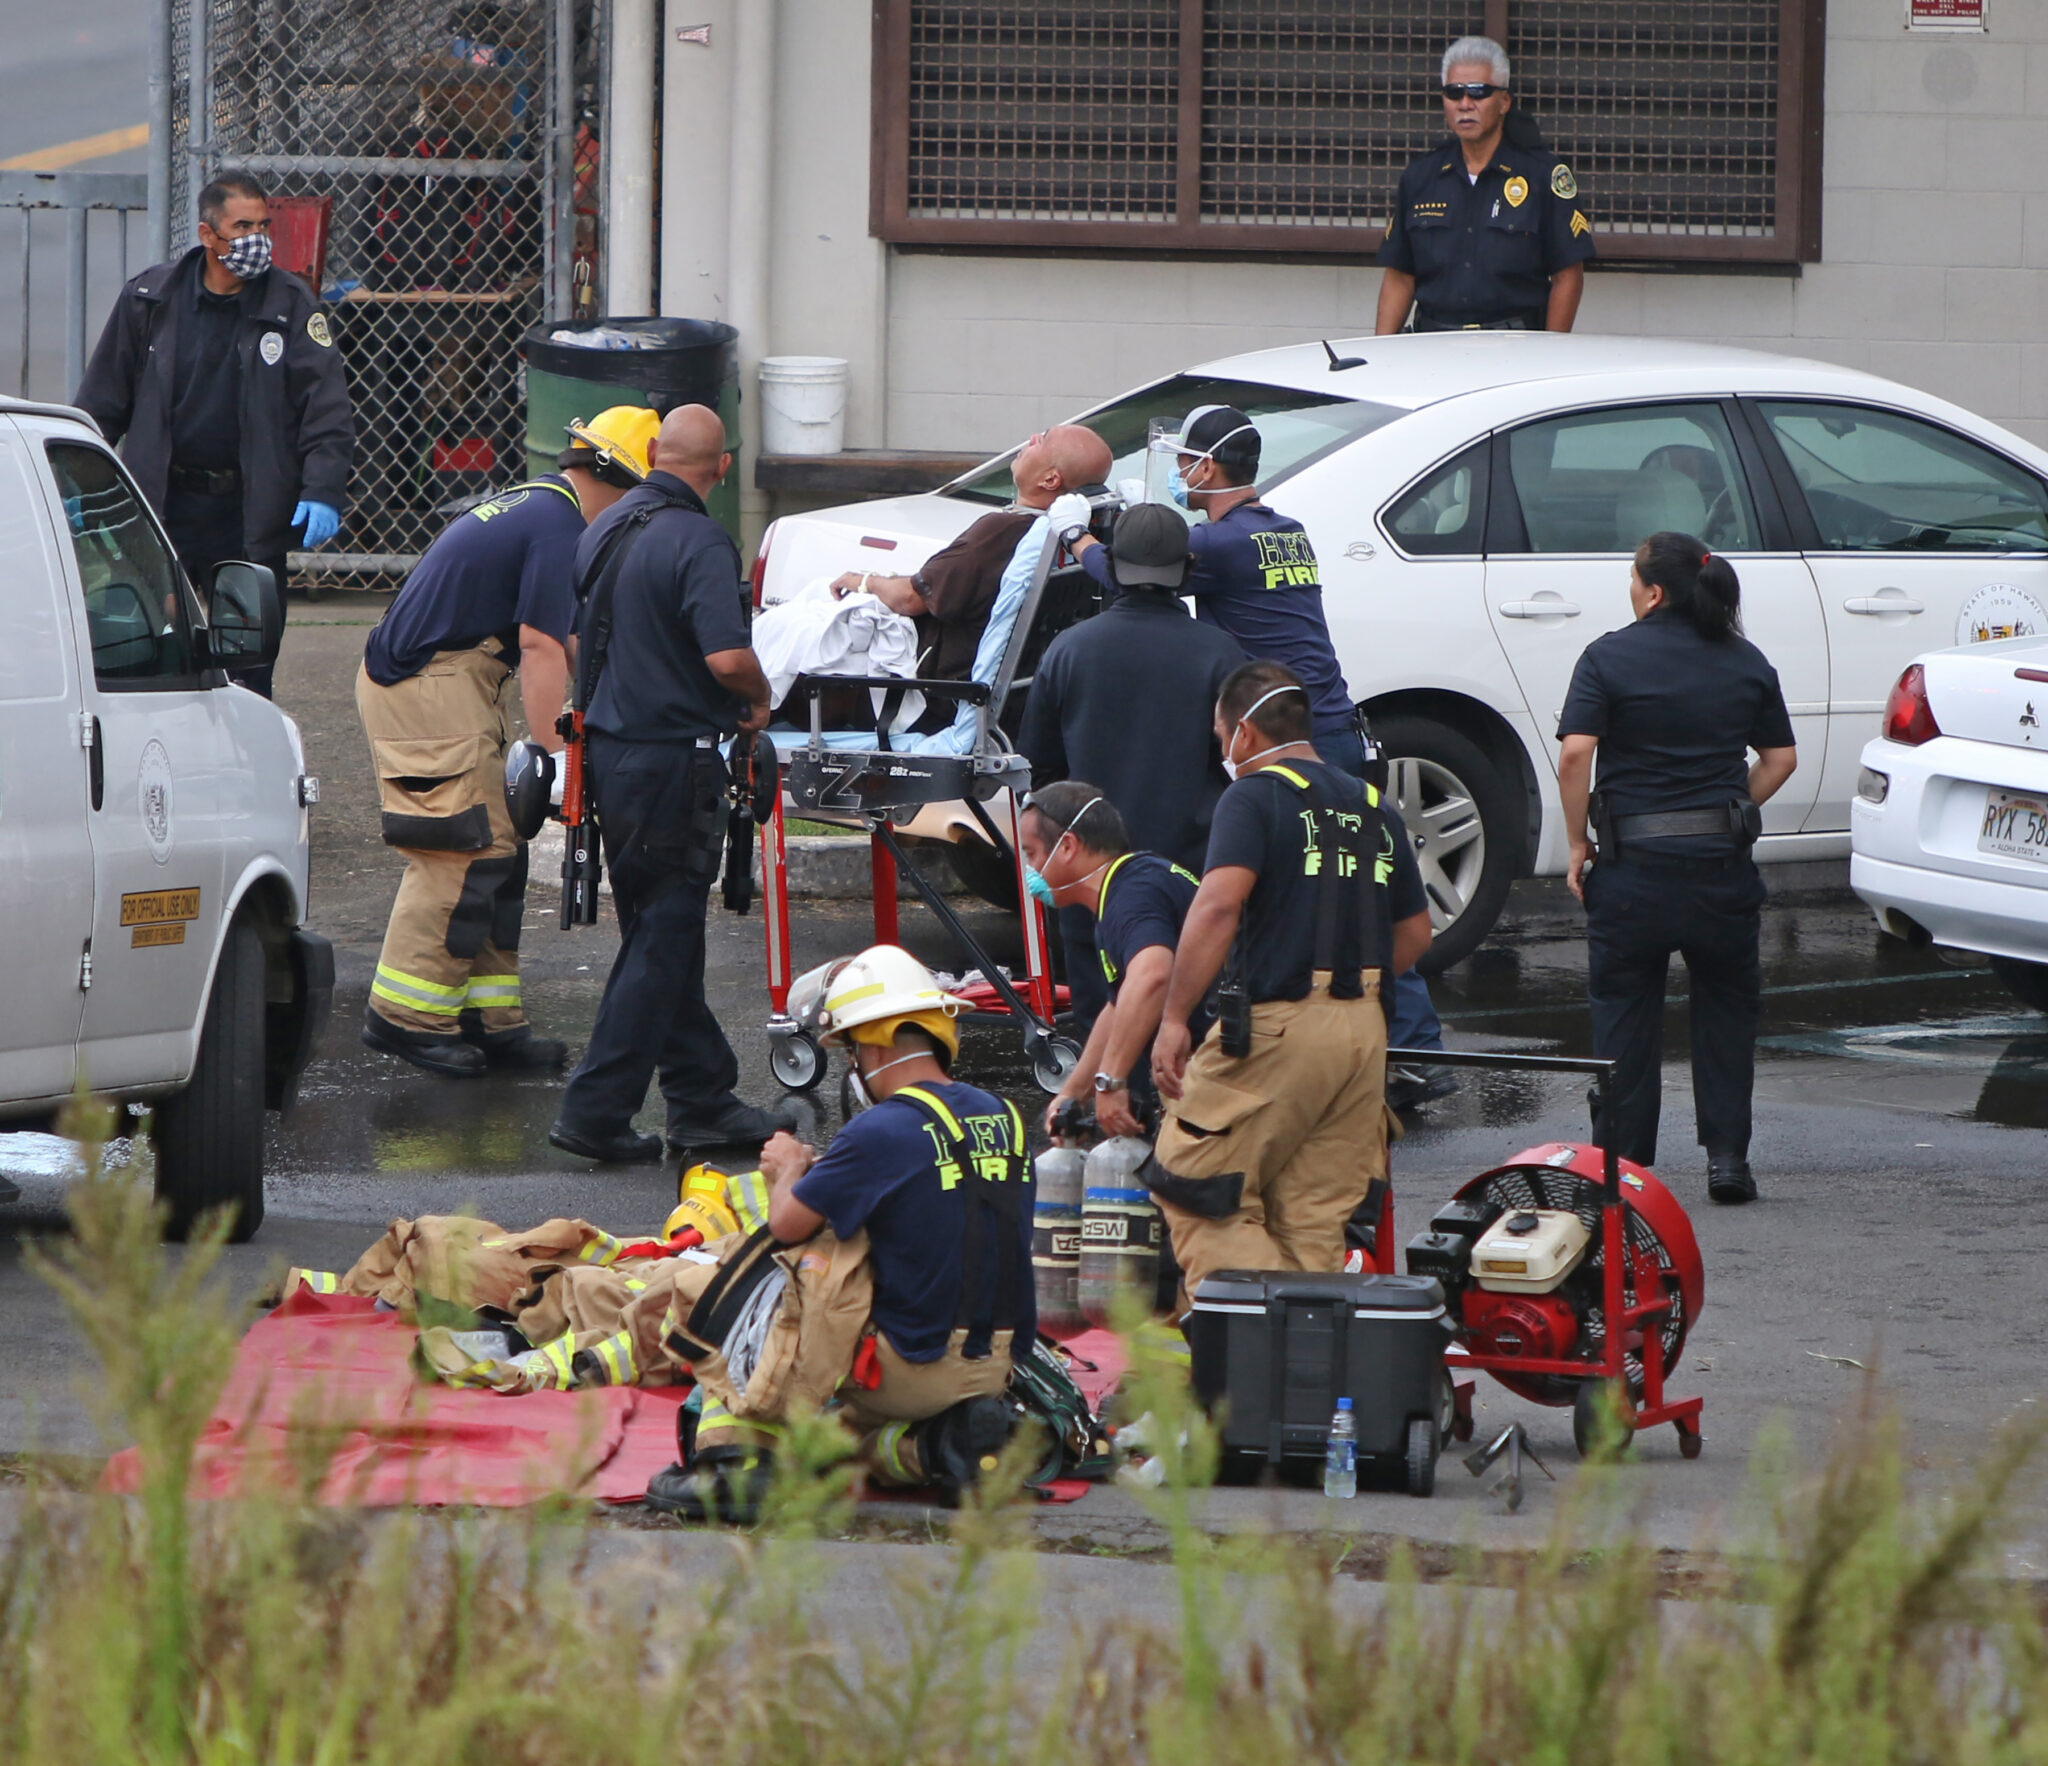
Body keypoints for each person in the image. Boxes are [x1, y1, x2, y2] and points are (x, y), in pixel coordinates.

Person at [1053, 409, 1457, 1096]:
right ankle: (1410, 1047)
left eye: (1185, 462)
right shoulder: (1285, 531)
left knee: (1327, 899)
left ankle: (1406, 1053)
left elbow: (1134, 577)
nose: (1180, 473)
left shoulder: (1220, 544)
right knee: (1362, 893)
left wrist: (1078, 535)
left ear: (1208, 466)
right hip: (1334, 725)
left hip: (1295, 738)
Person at [645, 946, 1032, 1523]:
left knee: (754, 1284)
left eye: (852, 1050)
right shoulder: (1003, 1115)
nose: (855, 1065)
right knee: (840, 1438)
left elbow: (786, 1224)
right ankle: (940, 1445)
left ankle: (735, 1466)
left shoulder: (880, 1129)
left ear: (874, 1047)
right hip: (992, 1366)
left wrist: (788, 1169)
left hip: (907, 1369)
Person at [354, 408, 660, 1077]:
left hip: (452, 679)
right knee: (462, 848)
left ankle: (489, 1020)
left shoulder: (544, 507)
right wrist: (558, 757)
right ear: (614, 480)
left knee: (499, 851)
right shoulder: (560, 526)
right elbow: (542, 645)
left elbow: (570, 639)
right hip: (429, 684)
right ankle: (405, 1017)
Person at [546, 404, 797, 1164]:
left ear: (654, 452)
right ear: (723, 468)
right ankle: (595, 1111)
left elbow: (574, 640)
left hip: (610, 758)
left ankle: (701, 1099)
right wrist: (759, 699)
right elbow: (727, 658)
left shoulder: (603, 530)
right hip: (669, 761)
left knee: (661, 931)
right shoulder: (700, 540)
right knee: (663, 936)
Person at [1145, 663, 1435, 1303]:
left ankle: (1249, 1346)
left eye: (1221, 736)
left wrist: (1174, 1019)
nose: (1223, 750)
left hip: (1278, 1025)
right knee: (1312, 1222)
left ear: (1243, 733)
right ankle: (1305, 1354)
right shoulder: (1373, 805)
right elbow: (1416, 935)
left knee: (1196, 1182)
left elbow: (1217, 906)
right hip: (1364, 1033)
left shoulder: (1253, 797)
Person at [1557, 532, 1797, 1206]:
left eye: (1634, 580)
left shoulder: (1607, 657)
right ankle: (1727, 1160)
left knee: (1625, 1018)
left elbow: (1576, 754)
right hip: (1720, 871)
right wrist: (1726, 810)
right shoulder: (1746, 660)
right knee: (1726, 1011)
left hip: (1632, 872)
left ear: (1654, 592)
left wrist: (1577, 842)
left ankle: (1625, 1169)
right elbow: (1781, 759)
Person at [74, 172, 353, 698]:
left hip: (246, 515)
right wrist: (75, 478)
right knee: (144, 657)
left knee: (247, 667)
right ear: (208, 235)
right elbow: (102, 402)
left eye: (263, 226)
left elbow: (326, 410)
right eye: (242, 227)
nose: (256, 239)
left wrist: (322, 489)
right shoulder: (151, 299)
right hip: (162, 507)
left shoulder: (290, 304)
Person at [1018, 501, 1244, 1032]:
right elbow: (1241, 766)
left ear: (1112, 567)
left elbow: (1038, 766)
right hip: (1188, 879)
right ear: (1188, 570)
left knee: (1103, 1031)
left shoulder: (1069, 649)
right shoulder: (1221, 653)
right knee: (1186, 1034)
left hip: (1090, 876)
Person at [829, 424, 1111, 728]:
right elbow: (931, 584)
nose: (1031, 438)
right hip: (1013, 698)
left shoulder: (1000, 533)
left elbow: (910, 598)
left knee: (807, 643)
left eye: (1042, 441)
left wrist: (865, 582)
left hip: (937, 698)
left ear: (1050, 480)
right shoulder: (1071, 537)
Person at [1374, 36, 1594, 336]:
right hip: (1433, 345)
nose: (1465, 104)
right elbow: (1400, 277)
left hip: (1516, 344)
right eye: (1454, 93)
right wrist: (1381, 352)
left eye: (1478, 92)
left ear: (1504, 102)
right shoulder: (1421, 177)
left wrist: (1550, 352)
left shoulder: (1543, 175)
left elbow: (1568, 277)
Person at [1017, 785, 1202, 1141]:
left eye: (1032, 853)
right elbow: (1119, 1005)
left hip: (1239, 1053)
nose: (1030, 870)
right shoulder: (1132, 882)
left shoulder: (1131, 897)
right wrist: (1073, 1093)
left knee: (1186, 1172)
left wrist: (1111, 1081)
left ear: (1067, 847)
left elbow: (1152, 975)